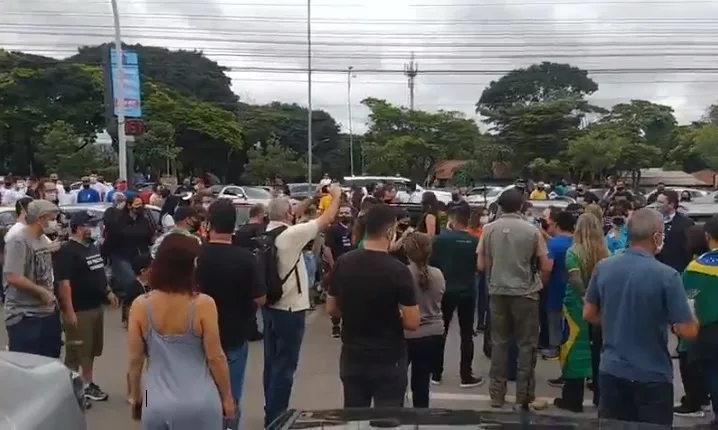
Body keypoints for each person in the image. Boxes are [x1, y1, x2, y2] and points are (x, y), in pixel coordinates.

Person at [582, 208, 698, 426]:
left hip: (612, 371)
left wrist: (616, 321)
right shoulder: (667, 276)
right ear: (656, 237)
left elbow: (588, 313)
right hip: (652, 376)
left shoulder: (604, 267)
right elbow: (687, 330)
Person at [126, 234, 235, 430]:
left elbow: (135, 360)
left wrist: (136, 396)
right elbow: (215, 357)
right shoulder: (203, 304)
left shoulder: (141, 305)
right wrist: (227, 398)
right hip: (199, 403)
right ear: (191, 265)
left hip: (157, 402)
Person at [262, 185, 341, 427]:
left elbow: (294, 210)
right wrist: (336, 196)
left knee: (272, 364)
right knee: (285, 368)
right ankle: (277, 418)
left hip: (271, 307)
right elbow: (325, 220)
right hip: (290, 309)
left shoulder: (269, 232)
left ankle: (271, 408)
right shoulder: (291, 236)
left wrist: (313, 198)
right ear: (288, 214)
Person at [326, 204, 420, 408]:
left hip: (352, 354)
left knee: (354, 414)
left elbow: (331, 308)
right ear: (389, 231)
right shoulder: (398, 270)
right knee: (387, 417)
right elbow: (412, 322)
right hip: (388, 356)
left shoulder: (343, 262)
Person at [477, 188, 551, 409]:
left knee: (499, 344)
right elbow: (545, 265)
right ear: (521, 206)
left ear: (500, 206)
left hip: (498, 291)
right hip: (525, 293)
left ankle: (496, 395)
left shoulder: (488, 229)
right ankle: (523, 396)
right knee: (526, 345)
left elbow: (481, 265)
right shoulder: (532, 231)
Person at [197, 200, 266, 427]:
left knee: (200, 396)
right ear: (234, 225)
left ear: (209, 224)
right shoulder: (246, 258)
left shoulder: (197, 256)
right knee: (231, 396)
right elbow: (260, 298)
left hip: (198, 337)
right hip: (235, 335)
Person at [55, 211, 119, 402]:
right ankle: (69, 390)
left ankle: (88, 384)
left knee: (90, 350)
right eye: (89, 225)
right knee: (76, 351)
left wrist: (108, 292)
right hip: (79, 309)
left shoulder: (92, 247)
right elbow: (63, 283)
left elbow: (98, 274)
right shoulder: (67, 251)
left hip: (95, 307)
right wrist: (69, 311)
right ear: (77, 227)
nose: (93, 228)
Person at [552, 213, 606, 412]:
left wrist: (584, 299)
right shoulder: (605, 252)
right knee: (598, 350)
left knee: (573, 349)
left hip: (575, 306)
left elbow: (575, 279)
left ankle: (572, 399)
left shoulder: (573, 252)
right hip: (600, 305)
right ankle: (600, 398)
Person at [430, 205, 483, 387]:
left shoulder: (438, 240)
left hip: (444, 290)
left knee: (440, 331)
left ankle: (436, 372)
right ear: (467, 221)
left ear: (452, 220)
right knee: (467, 334)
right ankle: (465, 375)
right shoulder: (475, 242)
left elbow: (431, 264)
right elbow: (480, 267)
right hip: (467, 290)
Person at [3, 200, 62, 358]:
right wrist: (41, 291)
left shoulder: (42, 238)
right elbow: (13, 277)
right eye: (53, 217)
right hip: (25, 315)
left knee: (50, 360)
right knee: (28, 365)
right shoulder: (18, 240)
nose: (55, 222)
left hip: (46, 312)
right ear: (41, 218)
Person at [680, 216, 718, 425]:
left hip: (708, 335)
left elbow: (687, 304)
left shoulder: (696, 267)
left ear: (708, 236)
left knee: (713, 375)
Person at [403, 231, 445, 408]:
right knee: (422, 385)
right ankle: (420, 420)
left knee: (397, 383)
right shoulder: (438, 274)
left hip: (407, 333)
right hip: (434, 333)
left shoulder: (403, 274)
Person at [542, 210, 574, 361]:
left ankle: (555, 347)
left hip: (555, 286)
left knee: (554, 317)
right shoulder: (577, 242)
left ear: (557, 224)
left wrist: (543, 282)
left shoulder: (553, 244)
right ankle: (568, 345)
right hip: (572, 287)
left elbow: (548, 267)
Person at [325, 203, 354, 338]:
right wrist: (333, 265)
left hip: (353, 268)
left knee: (350, 297)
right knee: (336, 296)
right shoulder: (333, 230)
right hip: (338, 266)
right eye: (341, 212)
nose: (344, 215)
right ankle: (335, 325)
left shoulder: (355, 229)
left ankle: (347, 325)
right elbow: (327, 249)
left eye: (346, 212)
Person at [656, 189, 695, 273]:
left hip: (677, 270)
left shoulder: (686, 223)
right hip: (656, 269)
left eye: (661, 202)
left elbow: (689, 250)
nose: (657, 205)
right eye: (657, 202)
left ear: (671, 204)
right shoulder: (653, 221)